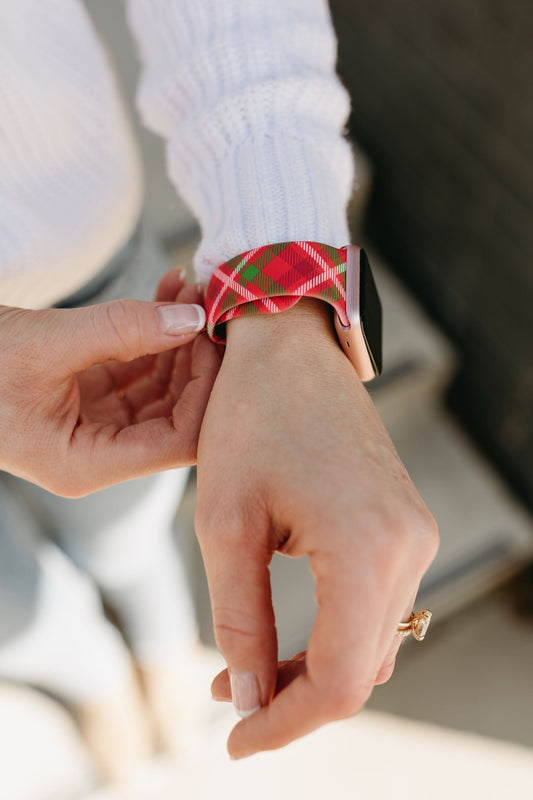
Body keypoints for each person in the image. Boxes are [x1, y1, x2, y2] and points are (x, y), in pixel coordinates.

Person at [0, 0, 439, 764]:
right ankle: (89, 672)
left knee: (127, 520)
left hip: (74, 259)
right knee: (12, 608)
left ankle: (156, 627)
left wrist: (286, 309)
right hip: (77, 248)